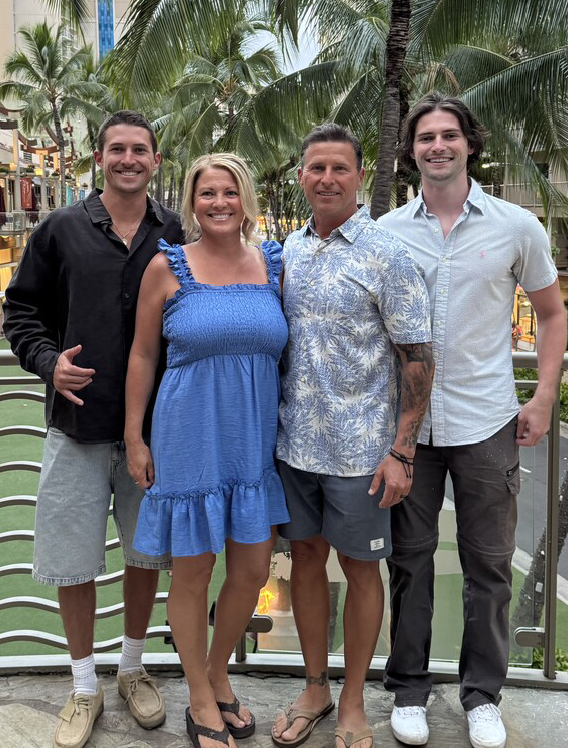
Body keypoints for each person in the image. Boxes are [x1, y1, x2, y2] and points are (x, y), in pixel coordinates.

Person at [376, 92, 567, 748]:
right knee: (410, 562)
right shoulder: (388, 232)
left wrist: (543, 396)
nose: (437, 146)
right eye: (425, 137)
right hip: (410, 431)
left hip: (487, 423)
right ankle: (408, 690)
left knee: (488, 565)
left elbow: (552, 314)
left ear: (469, 144)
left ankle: (483, 695)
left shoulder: (516, 227)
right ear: (411, 151)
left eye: (448, 135)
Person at [2, 110, 184, 748]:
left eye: (140, 150)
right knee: (72, 562)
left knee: (144, 554)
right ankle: (84, 685)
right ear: (98, 158)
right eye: (117, 149)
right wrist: (48, 362)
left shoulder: (174, 231)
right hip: (75, 426)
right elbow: (19, 310)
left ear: (155, 160)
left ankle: (132, 669)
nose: (128, 159)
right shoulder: (60, 228)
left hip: (154, 431)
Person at [271, 124, 434, 748]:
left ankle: (354, 701)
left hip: (362, 452)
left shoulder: (386, 254)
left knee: (363, 572)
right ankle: (314, 687)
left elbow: (417, 358)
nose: (327, 178)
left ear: (360, 176)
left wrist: (401, 451)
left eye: (340, 168)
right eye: (316, 168)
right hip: (294, 447)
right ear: (301, 177)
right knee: (305, 563)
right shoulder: (289, 251)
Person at [124, 153, 290, 748]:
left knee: (251, 569)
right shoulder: (166, 267)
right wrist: (135, 436)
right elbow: (143, 354)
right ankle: (199, 694)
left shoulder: (273, 265)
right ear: (192, 204)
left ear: (245, 200)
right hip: (188, 438)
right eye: (207, 193)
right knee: (192, 574)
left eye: (229, 192)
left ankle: (219, 671)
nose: (219, 203)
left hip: (253, 444)